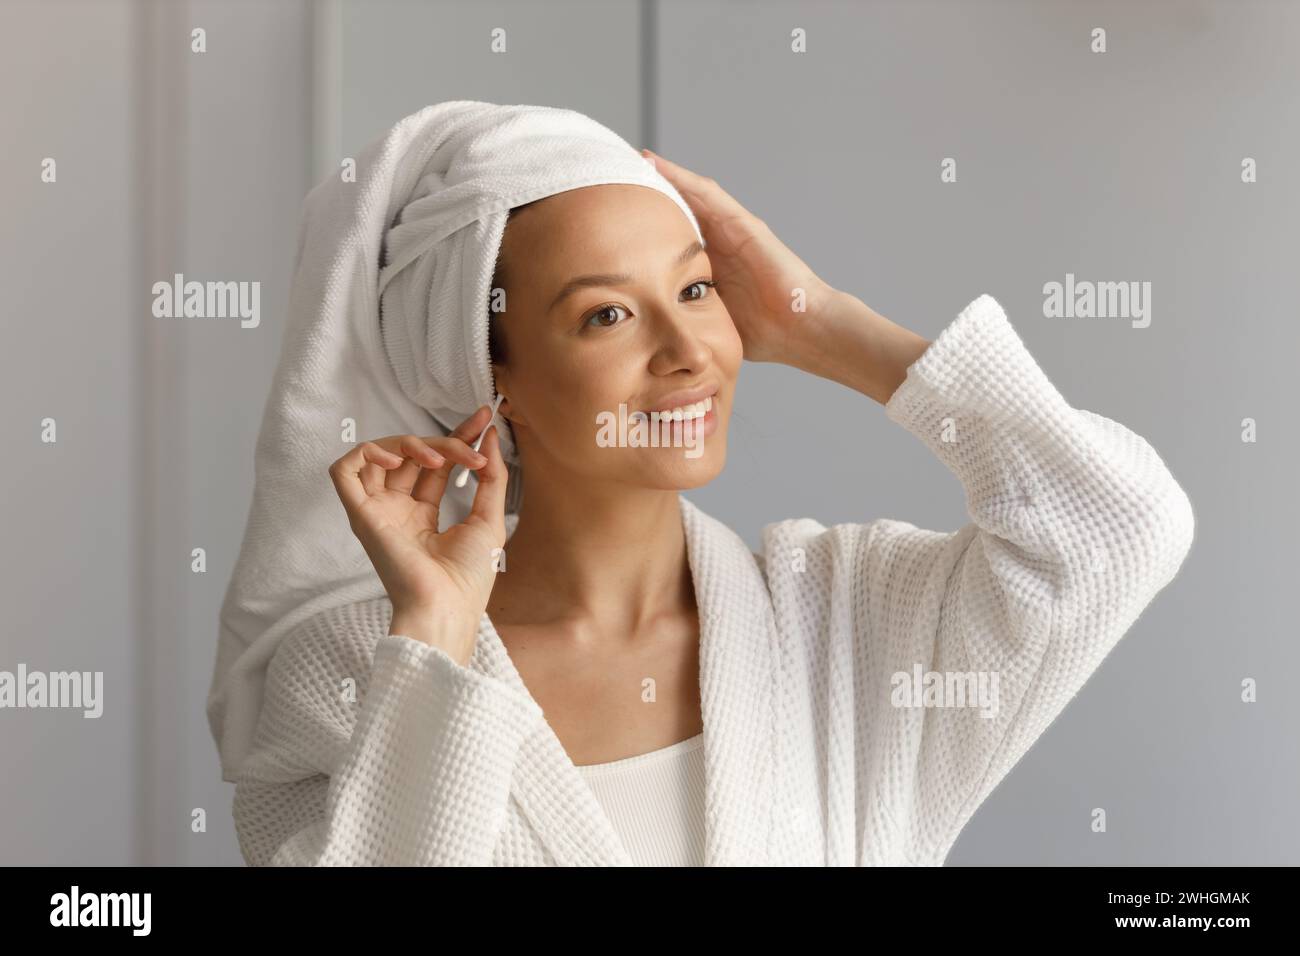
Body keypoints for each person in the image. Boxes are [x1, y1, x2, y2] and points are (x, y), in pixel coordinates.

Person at [221, 108, 1194, 867]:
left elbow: (1116, 527)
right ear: (493, 377)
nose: (688, 351)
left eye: (695, 290)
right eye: (606, 315)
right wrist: (432, 632)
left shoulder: (843, 625)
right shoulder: (352, 674)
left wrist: (826, 327)